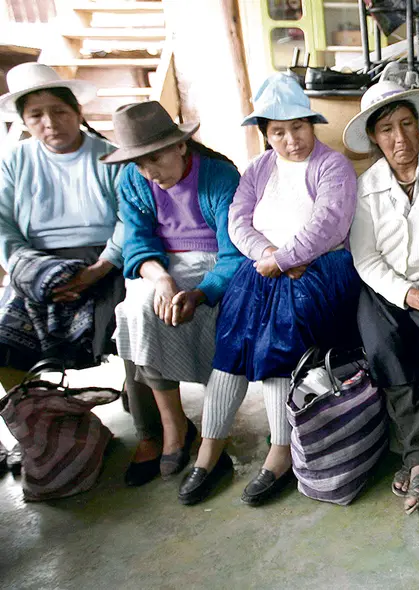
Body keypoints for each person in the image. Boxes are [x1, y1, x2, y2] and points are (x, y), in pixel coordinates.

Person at [179, 73, 361, 506]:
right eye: (278, 131)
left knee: (280, 343)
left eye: (298, 127)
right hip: (264, 268)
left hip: (317, 269)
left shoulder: (332, 165)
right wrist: (267, 255)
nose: (291, 139)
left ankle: (280, 453)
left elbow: (328, 222)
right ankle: (209, 451)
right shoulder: (258, 168)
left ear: (311, 125)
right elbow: (238, 220)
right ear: (265, 133)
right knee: (231, 343)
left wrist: (283, 260)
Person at [101, 101, 243, 487]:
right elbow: (138, 244)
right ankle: (173, 425)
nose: (149, 171)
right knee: (137, 312)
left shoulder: (219, 175)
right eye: (139, 162)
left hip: (211, 262)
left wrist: (201, 292)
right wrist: (162, 280)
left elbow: (234, 253)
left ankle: (195, 429)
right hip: (158, 265)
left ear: (181, 146)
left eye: (155, 158)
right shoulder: (132, 180)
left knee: (178, 313)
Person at [343, 78, 419, 514]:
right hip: (388, 289)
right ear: (375, 139)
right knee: (384, 349)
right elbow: (366, 257)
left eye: (407, 124)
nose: (400, 138)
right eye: (387, 130)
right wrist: (411, 296)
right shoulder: (365, 186)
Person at [0, 63, 124, 386]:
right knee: (3, 340)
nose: (50, 123)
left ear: (77, 111)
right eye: (36, 115)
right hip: (36, 262)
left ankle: (146, 419)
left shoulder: (110, 157)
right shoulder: (14, 160)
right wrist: (30, 271)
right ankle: (44, 425)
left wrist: (95, 271)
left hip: (105, 259)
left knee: (127, 329)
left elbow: (131, 220)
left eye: (59, 111)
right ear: (24, 121)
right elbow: (2, 223)